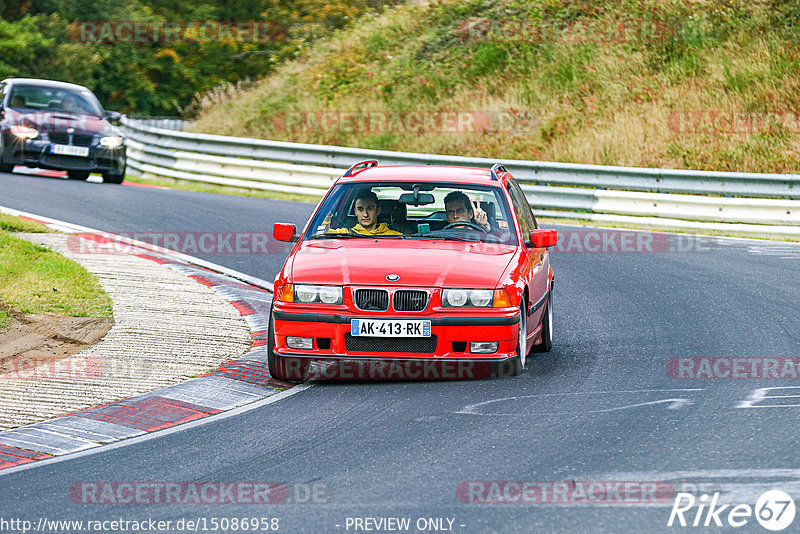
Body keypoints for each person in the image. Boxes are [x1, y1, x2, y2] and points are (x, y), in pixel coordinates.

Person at [329, 189, 402, 236]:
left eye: (369, 209)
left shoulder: (395, 236)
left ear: (378, 211)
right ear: (355, 212)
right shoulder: (344, 234)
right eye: (360, 209)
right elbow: (320, 232)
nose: (365, 214)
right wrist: (327, 218)